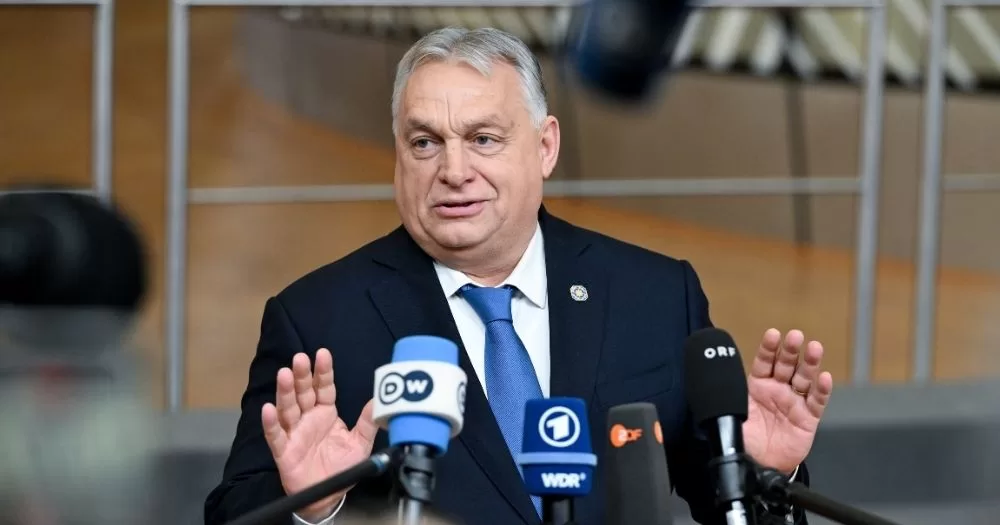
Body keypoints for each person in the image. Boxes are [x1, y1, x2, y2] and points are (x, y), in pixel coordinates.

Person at [204, 26, 834, 525]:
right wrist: (319, 508)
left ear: (545, 146)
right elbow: (236, 511)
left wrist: (758, 474)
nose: (452, 170)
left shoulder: (656, 294)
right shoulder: (317, 318)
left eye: (483, 139)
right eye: (424, 142)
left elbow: (724, 501)